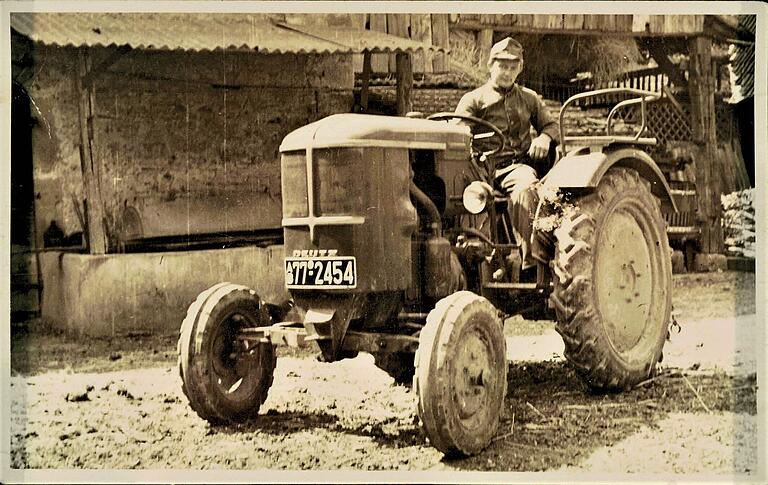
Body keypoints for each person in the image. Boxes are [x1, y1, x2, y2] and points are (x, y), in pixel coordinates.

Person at [455, 37, 560, 272]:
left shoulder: (529, 98)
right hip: (480, 168)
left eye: (513, 67)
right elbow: (457, 133)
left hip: (515, 168)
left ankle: (530, 264)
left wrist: (544, 138)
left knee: (525, 190)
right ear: (491, 66)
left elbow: (551, 126)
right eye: (502, 66)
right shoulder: (473, 100)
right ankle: (472, 260)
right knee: (463, 199)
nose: (507, 72)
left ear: (520, 69)